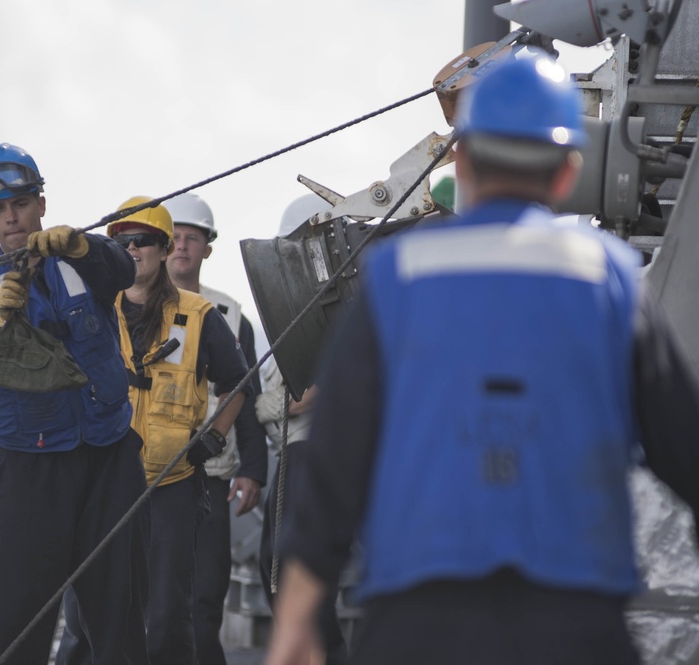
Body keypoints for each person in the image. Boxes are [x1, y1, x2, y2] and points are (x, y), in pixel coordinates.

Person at [266, 55, 699, 665]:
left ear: (463, 161)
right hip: (572, 620)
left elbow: (334, 467)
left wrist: (295, 618)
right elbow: (686, 450)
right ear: (569, 169)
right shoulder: (611, 283)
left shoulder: (397, 279)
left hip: (419, 622)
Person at [0, 143, 148, 665]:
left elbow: (124, 272)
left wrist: (83, 245)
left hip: (109, 459)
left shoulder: (82, 262)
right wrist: (5, 324)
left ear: (42, 203)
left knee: (121, 624)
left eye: (19, 202)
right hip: (29, 475)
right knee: (12, 631)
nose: (10, 217)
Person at [163, 192, 268, 665]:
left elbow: (245, 393)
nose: (183, 246)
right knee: (148, 596)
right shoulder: (129, 306)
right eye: (175, 238)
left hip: (209, 477)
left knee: (205, 597)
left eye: (193, 239)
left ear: (208, 248)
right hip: (148, 476)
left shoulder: (228, 316)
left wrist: (254, 468)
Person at [256, 192, 348, 665]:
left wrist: (266, 405)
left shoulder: (338, 310)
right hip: (295, 454)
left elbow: (303, 395)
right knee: (273, 563)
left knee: (293, 570)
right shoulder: (297, 313)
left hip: (315, 450)